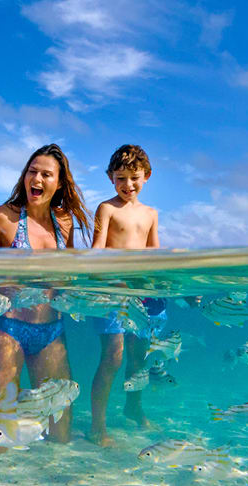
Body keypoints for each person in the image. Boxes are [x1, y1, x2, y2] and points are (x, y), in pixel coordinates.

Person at [0, 143, 89, 451]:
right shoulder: (2, 218)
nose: (37, 179)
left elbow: (69, 275)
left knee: (60, 434)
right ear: (24, 176)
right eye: (32, 172)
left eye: (46, 174)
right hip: (9, 329)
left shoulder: (65, 222)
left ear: (59, 183)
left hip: (52, 331)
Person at [86, 144, 165, 446]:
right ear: (110, 177)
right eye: (120, 178)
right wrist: (103, 279)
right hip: (114, 293)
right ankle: (97, 426)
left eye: (134, 178)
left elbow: (154, 253)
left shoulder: (151, 214)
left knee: (138, 358)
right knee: (113, 358)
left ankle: (134, 408)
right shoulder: (107, 208)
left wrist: (160, 283)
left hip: (142, 294)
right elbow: (98, 249)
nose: (127, 185)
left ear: (146, 176)